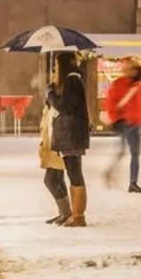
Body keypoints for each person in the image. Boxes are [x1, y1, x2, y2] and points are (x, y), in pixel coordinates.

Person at [47, 52, 91, 227]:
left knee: (75, 174)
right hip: (69, 134)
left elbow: (64, 106)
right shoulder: (69, 82)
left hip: (72, 134)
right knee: (74, 173)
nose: (55, 69)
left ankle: (79, 216)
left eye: (57, 65)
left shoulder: (72, 81)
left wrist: (51, 94)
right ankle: (76, 214)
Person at [105, 59, 141, 193]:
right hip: (124, 122)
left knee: (135, 153)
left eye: (135, 69)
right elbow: (111, 103)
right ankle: (110, 173)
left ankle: (133, 182)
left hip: (135, 123)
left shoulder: (138, 85)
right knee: (124, 151)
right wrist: (115, 119)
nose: (133, 71)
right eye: (131, 69)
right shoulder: (119, 84)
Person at [38, 89, 70, 225]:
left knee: (50, 180)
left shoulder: (54, 110)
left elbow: (54, 130)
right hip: (50, 150)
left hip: (56, 150)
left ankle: (66, 212)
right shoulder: (48, 110)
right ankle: (64, 212)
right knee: (57, 180)